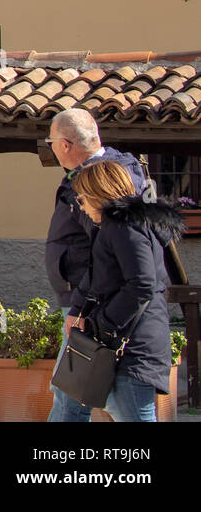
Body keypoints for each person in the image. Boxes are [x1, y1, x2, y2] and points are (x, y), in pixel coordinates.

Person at [43, 109, 146, 422]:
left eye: (51, 142)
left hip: (90, 303)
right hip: (88, 302)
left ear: (65, 145)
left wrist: (80, 308)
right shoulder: (108, 172)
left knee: (74, 393)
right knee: (75, 393)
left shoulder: (95, 183)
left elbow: (105, 252)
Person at [70, 160, 181, 421]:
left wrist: (105, 323)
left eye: (82, 198)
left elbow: (142, 283)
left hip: (134, 346)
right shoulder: (119, 225)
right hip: (132, 341)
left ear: (98, 193)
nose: (80, 206)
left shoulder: (124, 226)